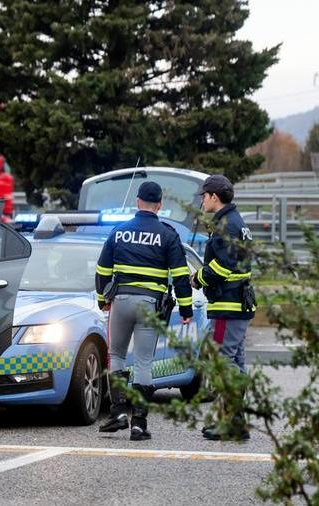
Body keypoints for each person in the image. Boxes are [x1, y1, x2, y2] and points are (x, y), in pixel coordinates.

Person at [95, 181, 193, 441]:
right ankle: (138, 424)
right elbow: (181, 276)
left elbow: (102, 270)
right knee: (143, 362)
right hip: (149, 305)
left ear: (137, 201)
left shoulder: (119, 231)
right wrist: (186, 308)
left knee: (115, 354)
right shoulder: (168, 234)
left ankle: (117, 412)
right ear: (159, 205)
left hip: (121, 302)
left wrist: (100, 300)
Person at [190, 174, 255, 441]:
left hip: (227, 309)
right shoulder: (235, 221)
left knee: (221, 361)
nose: (202, 201)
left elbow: (223, 266)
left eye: (204, 196)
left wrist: (198, 277)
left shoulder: (225, 225)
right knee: (235, 360)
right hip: (237, 305)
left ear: (214, 197)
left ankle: (231, 421)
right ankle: (236, 420)